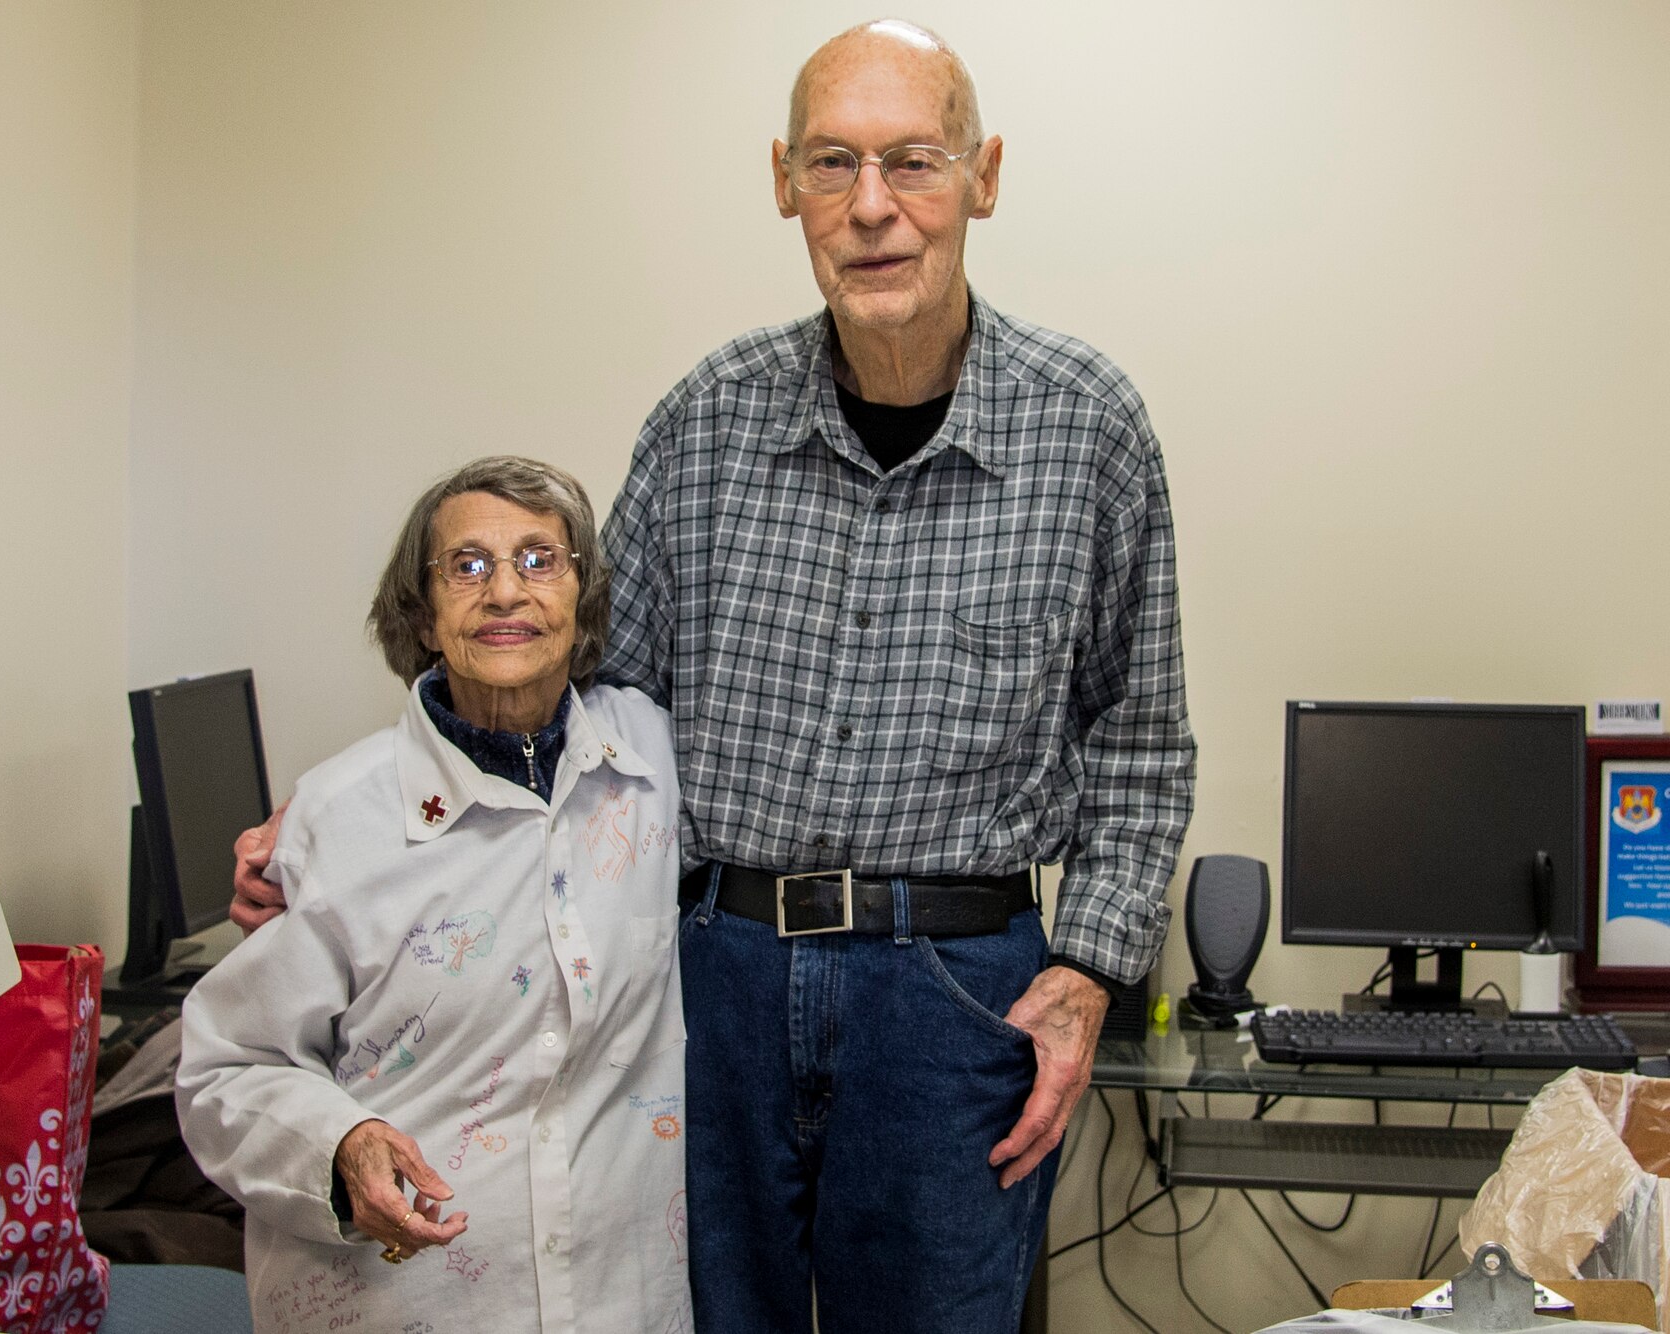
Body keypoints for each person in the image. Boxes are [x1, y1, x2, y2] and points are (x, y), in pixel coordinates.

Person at [234, 20, 1193, 1333]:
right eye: (831, 163)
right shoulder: (711, 420)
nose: (871, 207)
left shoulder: (1088, 427)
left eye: (913, 161)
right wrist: (346, 824)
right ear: (783, 180)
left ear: (985, 175)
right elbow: (575, 704)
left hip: (956, 996)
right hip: (709, 982)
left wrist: (1090, 969)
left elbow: (1141, 748)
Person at [179, 456, 692, 1333]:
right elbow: (228, 1068)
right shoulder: (339, 817)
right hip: (407, 1295)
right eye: (467, 565)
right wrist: (338, 1146)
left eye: (540, 560)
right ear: (420, 611)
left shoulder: (653, 765)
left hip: (621, 1295)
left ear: (585, 601)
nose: (504, 592)